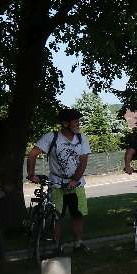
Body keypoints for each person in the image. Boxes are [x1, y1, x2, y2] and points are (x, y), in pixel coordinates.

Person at [27, 108, 92, 253]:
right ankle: (57, 247)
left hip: (77, 184)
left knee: (78, 214)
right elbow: (32, 154)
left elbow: (83, 161)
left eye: (78, 121)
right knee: (57, 217)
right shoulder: (52, 137)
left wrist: (75, 179)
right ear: (65, 123)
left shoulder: (81, 138)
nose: (78, 124)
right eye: (75, 121)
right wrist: (31, 174)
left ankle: (78, 244)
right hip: (56, 184)